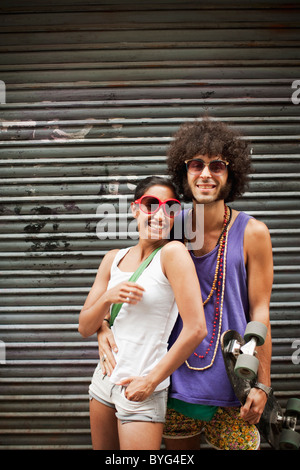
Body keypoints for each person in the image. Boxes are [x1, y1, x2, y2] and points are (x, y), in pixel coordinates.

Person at [98, 118, 273, 451]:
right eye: (197, 164)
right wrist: (102, 325)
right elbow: (127, 273)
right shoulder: (169, 224)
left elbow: (260, 310)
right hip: (174, 381)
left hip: (235, 383)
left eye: (217, 165)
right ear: (184, 172)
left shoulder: (253, 233)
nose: (205, 174)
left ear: (231, 173)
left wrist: (262, 384)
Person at [78, 176, 207, 450]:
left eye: (170, 208)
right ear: (136, 209)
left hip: (141, 389)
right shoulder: (113, 258)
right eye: (151, 204)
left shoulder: (173, 254)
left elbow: (197, 329)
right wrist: (106, 304)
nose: (160, 214)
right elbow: (84, 327)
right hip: (103, 381)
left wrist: (150, 381)